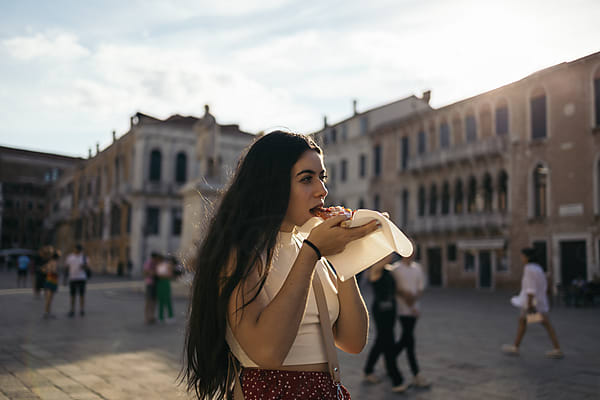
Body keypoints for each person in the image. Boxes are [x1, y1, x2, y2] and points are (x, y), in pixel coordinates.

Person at [182, 131, 379, 399]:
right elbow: (268, 352)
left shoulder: (310, 244)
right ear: (271, 183)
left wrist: (345, 256)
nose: (322, 190)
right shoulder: (241, 253)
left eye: (322, 178)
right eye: (306, 179)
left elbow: (353, 341)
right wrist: (312, 253)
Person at [502, 248, 563, 358]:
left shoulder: (529, 269)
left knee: (543, 323)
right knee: (523, 321)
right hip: (539, 301)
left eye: (522, 256)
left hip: (532, 303)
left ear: (527, 257)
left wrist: (530, 305)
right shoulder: (538, 268)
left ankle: (557, 349)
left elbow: (530, 289)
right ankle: (516, 347)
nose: (521, 258)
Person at [363, 253, 408, 393]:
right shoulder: (375, 270)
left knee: (382, 341)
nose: (391, 255)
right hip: (380, 311)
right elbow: (379, 267)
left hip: (391, 311)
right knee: (388, 343)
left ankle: (368, 370)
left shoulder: (389, 271)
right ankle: (396, 379)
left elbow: (397, 290)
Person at [390, 253, 431, 388]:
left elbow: (420, 287)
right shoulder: (395, 269)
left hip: (414, 309)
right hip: (402, 310)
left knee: (406, 340)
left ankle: (389, 357)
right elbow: (396, 289)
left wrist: (414, 303)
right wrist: (409, 304)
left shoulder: (417, 268)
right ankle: (416, 374)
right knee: (409, 341)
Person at [65, 244, 88, 317]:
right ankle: (72, 310)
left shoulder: (84, 257)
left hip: (82, 278)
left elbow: (87, 267)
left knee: (82, 295)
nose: (77, 251)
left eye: (79, 249)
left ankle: (82, 309)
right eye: (76, 249)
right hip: (72, 278)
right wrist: (65, 278)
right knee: (72, 295)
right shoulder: (70, 257)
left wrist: (84, 266)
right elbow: (67, 267)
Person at [156, 255, 175, 323]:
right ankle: (161, 317)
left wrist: (163, 275)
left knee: (167, 300)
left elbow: (170, 275)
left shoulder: (167, 265)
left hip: (165, 283)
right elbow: (159, 274)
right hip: (161, 283)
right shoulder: (160, 265)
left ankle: (170, 316)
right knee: (161, 301)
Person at [144, 252, 161, 324]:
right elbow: (146, 272)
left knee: (154, 300)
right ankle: (147, 317)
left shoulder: (156, 264)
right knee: (148, 301)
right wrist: (153, 272)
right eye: (156, 258)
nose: (157, 259)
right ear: (153, 257)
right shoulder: (149, 263)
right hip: (150, 283)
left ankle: (152, 316)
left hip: (155, 283)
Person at [43, 251, 60, 318]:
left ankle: (47, 312)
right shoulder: (54, 262)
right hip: (52, 281)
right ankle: (47, 313)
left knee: (48, 298)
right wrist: (55, 273)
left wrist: (48, 271)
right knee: (49, 298)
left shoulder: (49, 262)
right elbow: (54, 271)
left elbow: (43, 269)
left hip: (48, 280)